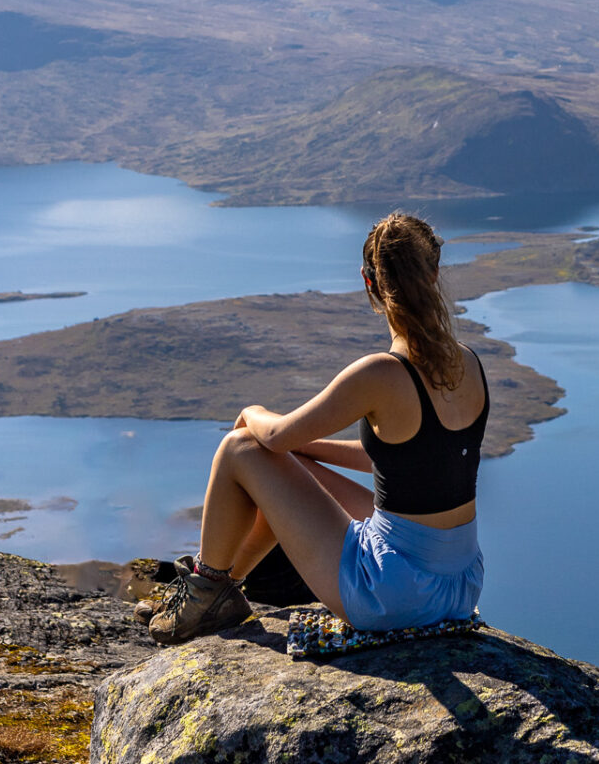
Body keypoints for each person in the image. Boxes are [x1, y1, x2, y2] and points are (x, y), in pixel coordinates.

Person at [144, 211, 489, 646]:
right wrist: (305, 454)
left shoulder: (381, 373)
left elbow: (273, 437)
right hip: (459, 586)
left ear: (369, 283)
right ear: (435, 273)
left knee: (240, 449)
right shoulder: (469, 362)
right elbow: (406, 462)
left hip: (392, 594)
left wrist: (251, 411)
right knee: (289, 470)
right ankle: (224, 587)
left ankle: (206, 589)